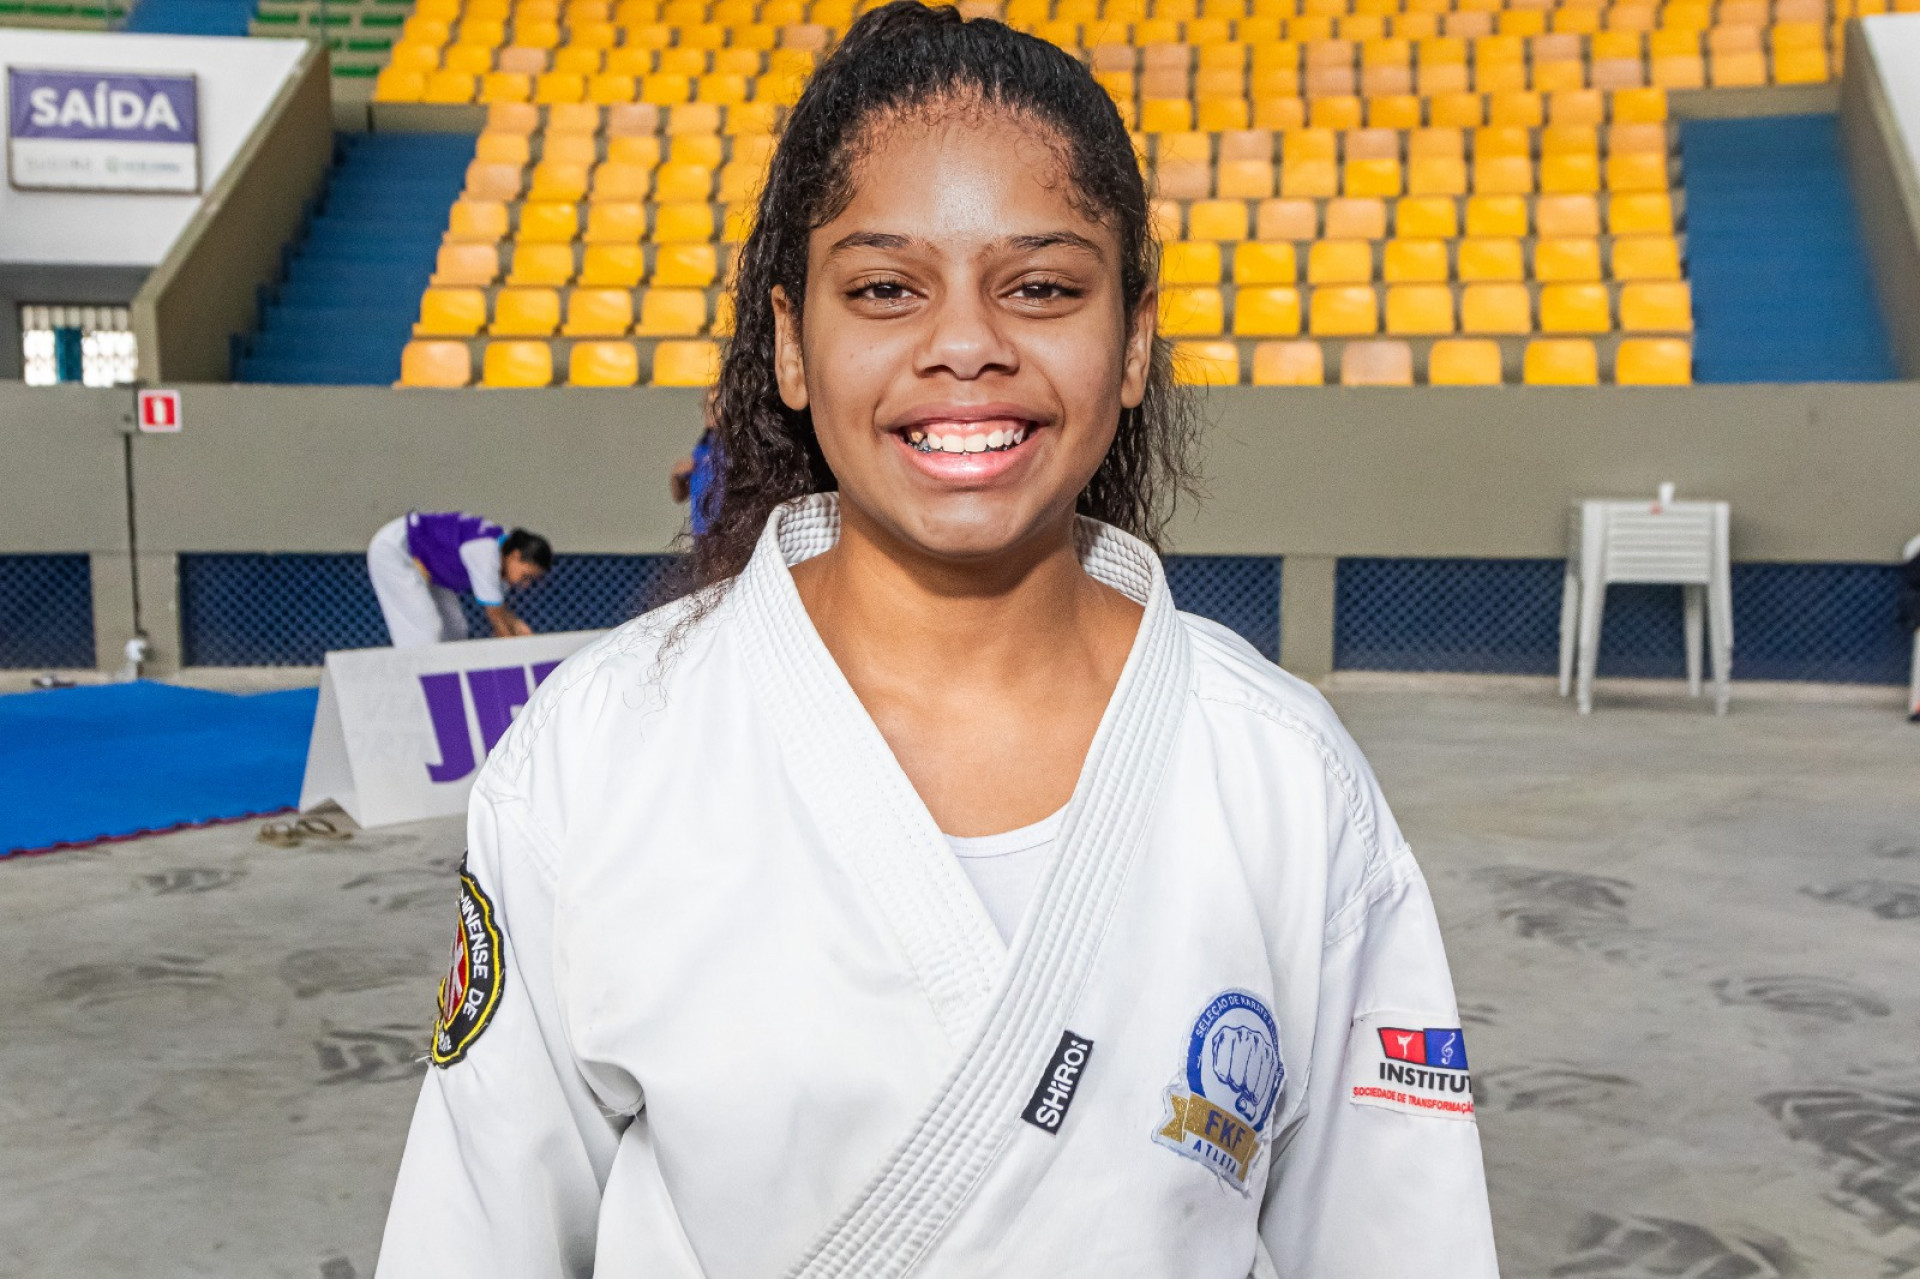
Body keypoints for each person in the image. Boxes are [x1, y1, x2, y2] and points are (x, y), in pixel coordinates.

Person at [376, 8, 1499, 1277]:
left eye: (1041, 287)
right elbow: (475, 1239)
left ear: (1131, 341)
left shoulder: (1289, 783)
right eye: (885, 289)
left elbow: (1401, 1240)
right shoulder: (596, 757)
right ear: (795, 343)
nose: (965, 343)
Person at [365, 511, 550, 649]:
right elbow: (495, 617)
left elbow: (500, 613)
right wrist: (521, 652)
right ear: (515, 556)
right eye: (526, 576)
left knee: (455, 630)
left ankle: (446, 685)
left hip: (430, 569)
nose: (524, 584)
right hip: (396, 550)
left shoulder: (499, 552)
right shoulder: (486, 551)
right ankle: (413, 687)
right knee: (424, 632)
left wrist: (516, 625)